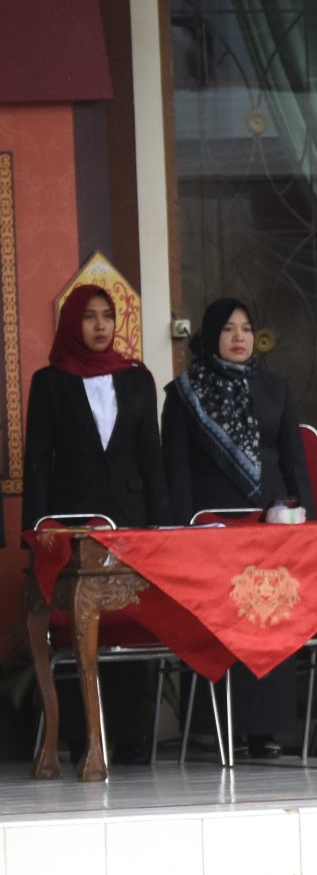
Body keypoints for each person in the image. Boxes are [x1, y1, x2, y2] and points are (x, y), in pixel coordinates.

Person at [162, 297, 316, 756]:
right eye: (229, 329)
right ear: (212, 335)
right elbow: (176, 471)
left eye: (246, 329)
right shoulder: (184, 393)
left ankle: (263, 730)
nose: (239, 338)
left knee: (268, 620)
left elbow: (293, 461)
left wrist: (308, 520)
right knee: (220, 625)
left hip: (271, 527)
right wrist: (181, 532)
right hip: (211, 531)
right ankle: (215, 727)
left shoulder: (276, 388)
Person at [24, 274, 164, 763]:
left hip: (132, 519)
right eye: (89, 316)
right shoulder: (50, 382)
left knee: (130, 613)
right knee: (78, 621)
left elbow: (152, 457)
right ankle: (81, 736)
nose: (101, 326)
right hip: (73, 521)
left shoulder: (137, 378)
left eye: (107, 316)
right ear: (71, 322)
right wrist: (37, 529)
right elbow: (38, 460)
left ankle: (128, 737)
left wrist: (164, 527)